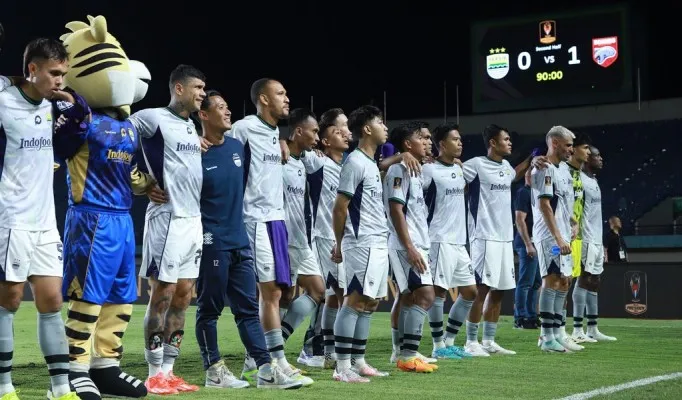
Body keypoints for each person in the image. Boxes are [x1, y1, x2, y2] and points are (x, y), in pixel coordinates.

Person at [56, 15, 154, 399]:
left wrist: (149, 185)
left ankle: (105, 365)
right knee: (87, 296)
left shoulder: (128, 127)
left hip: (123, 219)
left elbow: (128, 171)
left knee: (121, 295)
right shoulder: (80, 123)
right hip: (90, 218)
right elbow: (60, 149)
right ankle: (76, 367)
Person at [194, 90, 302, 390]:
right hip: (212, 240)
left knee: (246, 308)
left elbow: (263, 159)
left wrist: (283, 142)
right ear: (203, 115)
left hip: (240, 238)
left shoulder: (236, 147)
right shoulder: (194, 151)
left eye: (228, 106)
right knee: (209, 309)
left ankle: (266, 369)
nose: (227, 112)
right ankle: (213, 369)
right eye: (220, 107)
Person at [0, 38, 81, 400]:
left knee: (51, 301)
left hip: (46, 221)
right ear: (32, 70)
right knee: (10, 300)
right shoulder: (4, 103)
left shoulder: (54, 108)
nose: (60, 80)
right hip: (10, 220)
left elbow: (70, 143)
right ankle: (4, 386)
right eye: (53, 73)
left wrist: (74, 108)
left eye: (63, 73)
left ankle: (60, 388)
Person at [131, 64, 206, 394]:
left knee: (183, 298)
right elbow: (115, 140)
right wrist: (141, 184)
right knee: (161, 296)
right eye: (198, 88)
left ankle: (170, 371)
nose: (202, 93)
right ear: (179, 89)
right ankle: (153, 373)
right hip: (167, 221)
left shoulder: (191, 128)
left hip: (193, 223)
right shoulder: (152, 118)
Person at [230, 78, 307, 386]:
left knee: (282, 293)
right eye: (280, 93)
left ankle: (255, 362)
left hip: (277, 220)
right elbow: (226, 159)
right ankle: (275, 362)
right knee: (270, 292)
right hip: (255, 218)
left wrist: (282, 142)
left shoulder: (275, 133)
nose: (286, 98)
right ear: (263, 98)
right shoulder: (244, 127)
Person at [331, 105, 390, 383]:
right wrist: (339, 243)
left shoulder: (370, 163)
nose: (385, 127)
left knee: (370, 302)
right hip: (362, 242)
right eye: (380, 122)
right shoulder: (354, 162)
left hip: (378, 240)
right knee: (354, 300)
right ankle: (342, 367)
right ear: (367, 129)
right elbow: (340, 206)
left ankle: (358, 360)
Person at [462, 124, 524, 356]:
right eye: (505, 139)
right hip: (484, 237)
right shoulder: (476, 164)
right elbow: (455, 174)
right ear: (493, 143)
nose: (509, 143)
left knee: (499, 290)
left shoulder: (506, 166)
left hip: (505, 238)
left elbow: (514, 174)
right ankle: (470, 342)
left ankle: (488, 341)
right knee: (482, 289)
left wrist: (532, 160)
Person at [299, 108, 350, 369]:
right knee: (331, 293)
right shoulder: (317, 161)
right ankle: (314, 348)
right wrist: (288, 145)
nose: (344, 131)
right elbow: (294, 148)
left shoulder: (350, 166)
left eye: (345, 127)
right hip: (323, 237)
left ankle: (328, 348)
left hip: (346, 239)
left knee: (337, 295)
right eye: (337, 129)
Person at [384, 125, 437, 373]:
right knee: (426, 295)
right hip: (407, 244)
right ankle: (408, 354)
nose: (428, 142)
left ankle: (401, 350)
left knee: (406, 296)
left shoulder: (415, 170)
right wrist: (411, 248)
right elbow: (396, 210)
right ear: (407, 144)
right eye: (423, 138)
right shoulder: (399, 169)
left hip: (416, 242)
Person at [277, 108, 323, 387]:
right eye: (314, 131)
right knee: (281, 298)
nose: (317, 137)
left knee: (318, 291)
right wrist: (279, 143)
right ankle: (267, 355)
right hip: (282, 239)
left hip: (301, 241)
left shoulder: (306, 161)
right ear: (297, 132)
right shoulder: (277, 156)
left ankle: (275, 348)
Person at [423, 123, 477, 359]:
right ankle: (438, 347)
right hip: (439, 239)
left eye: (460, 139)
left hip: (458, 241)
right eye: (455, 139)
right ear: (442, 144)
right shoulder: (429, 170)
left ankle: (450, 341)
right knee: (439, 294)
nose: (460, 143)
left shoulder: (459, 169)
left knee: (470, 292)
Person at [532, 126, 576, 353]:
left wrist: (572, 222)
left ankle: (558, 332)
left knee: (564, 281)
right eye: (568, 145)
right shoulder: (545, 169)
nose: (572, 149)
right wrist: (559, 237)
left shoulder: (563, 170)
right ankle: (546, 337)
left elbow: (562, 204)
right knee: (551, 280)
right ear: (555, 143)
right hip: (550, 236)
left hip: (562, 234)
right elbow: (544, 205)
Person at [572, 146, 617, 342]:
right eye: (597, 155)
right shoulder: (579, 179)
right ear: (587, 157)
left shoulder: (594, 180)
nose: (601, 158)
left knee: (595, 282)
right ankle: (577, 330)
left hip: (597, 239)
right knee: (584, 278)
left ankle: (592, 328)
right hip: (586, 238)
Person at [559, 133, 592, 351]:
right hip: (561, 234)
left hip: (576, 236)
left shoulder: (578, 174)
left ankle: (563, 330)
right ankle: (556, 331)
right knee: (559, 280)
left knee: (568, 281)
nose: (587, 152)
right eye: (585, 147)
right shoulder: (562, 171)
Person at [513, 169, 542, 329]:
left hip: (534, 241)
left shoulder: (535, 193)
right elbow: (520, 219)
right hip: (527, 242)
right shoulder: (524, 192)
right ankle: (520, 317)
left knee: (536, 282)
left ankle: (531, 315)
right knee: (525, 282)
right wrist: (528, 244)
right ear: (528, 177)